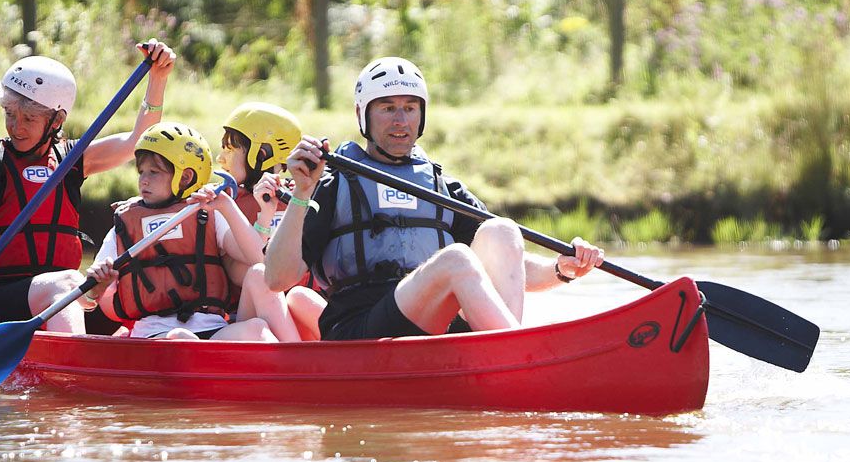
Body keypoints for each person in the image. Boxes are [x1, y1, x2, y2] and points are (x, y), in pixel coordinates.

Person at [262, 56, 605, 341]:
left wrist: (561, 269)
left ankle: (502, 355)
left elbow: (507, 264)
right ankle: (518, 355)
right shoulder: (333, 181)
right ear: (361, 115)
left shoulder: (438, 185)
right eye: (387, 108)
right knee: (456, 258)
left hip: (433, 325)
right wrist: (302, 193)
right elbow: (277, 278)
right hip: (361, 327)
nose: (400, 120)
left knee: (502, 230)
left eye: (410, 108)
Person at [0, 40, 175, 333]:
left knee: (109, 293)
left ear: (57, 120)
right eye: (10, 113)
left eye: (29, 118)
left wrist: (158, 77)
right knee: (69, 283)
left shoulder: (72, 160)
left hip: (63, 296)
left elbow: (139, 140)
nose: (16, 127)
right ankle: (78, 364)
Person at [81, 123, 286, 341]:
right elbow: (86, 301)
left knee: (256, 328)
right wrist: (96, 289)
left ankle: (294, 369)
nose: (144, 180)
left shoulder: (207, 214)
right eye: (141, 172)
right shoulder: (123, 226)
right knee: (180, 337)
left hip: (213, 332)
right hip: (154, 337)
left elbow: (256, 258)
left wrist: (227, 206)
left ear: (186, 177)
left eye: (154, 172)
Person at [215, 101, 326, 340]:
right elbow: (238, 273)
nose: (220, 158)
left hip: (294, 318)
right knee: (260, 274)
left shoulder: (306, 197)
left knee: (301, 297)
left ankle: (352, 361)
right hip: (252, 319)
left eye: (230, 149)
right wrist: (265, 215)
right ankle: (298, 364)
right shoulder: (226, 204)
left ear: (261, 153)